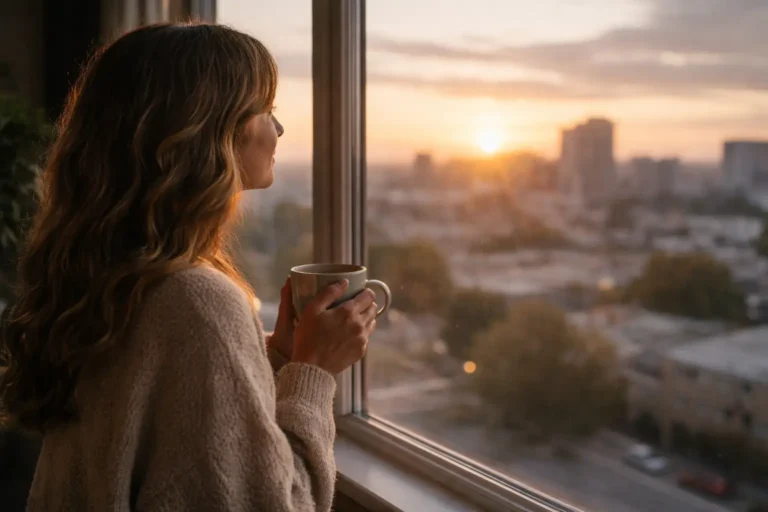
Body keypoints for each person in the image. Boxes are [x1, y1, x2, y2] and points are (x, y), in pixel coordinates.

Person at [0, 23, 377, 511]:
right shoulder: (197, 301)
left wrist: (276, 357)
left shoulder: (113, 271)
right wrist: (313, 371)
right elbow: (279, 503)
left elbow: (172, 420)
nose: (278, 129)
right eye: (266, 110)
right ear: (209, 130)